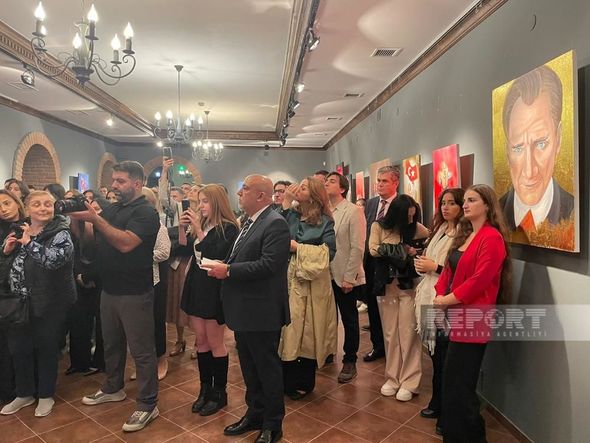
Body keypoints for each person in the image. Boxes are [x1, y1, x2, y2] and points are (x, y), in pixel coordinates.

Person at [74, 161, 160, 433]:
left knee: (142, 351)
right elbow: (91, 242)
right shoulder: (113, 209)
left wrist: (96, 220)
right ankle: (113, 387)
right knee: (111, 344)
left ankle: (148, 404)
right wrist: (79, 219)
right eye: (113, 181)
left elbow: (125, 243)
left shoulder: (146, 212)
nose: (114, 186)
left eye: (120, 181)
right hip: (109, 289)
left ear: (137, 183)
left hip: (135, 292)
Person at [206, 175, 290, 443]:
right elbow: (243, 256)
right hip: (244, 309)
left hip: (262, 311)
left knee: (267, 369)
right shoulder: (249, 221)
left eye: (245, 189)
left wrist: (229, 270)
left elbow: (269, 264)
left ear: (261, 196)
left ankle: (273, 424)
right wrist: (223, 264)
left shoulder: (275, 223)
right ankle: (255, 413)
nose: (239, 194)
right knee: (250, 368)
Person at [434, 184, 510, 442]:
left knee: (461, 387)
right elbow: (449, 270)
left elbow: (480, 280)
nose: (465, 205)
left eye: (472, 200)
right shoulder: (466, 234)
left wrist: (447, 299)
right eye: (465, 200)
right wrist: (439, 293)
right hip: (452, 315)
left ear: (487, 205)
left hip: (472, 319)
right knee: (451, 383)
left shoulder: (492, 238)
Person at [0, 191, 76, 417]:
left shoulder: (61, 233)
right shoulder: (19, 229)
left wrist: (29, 243)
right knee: (19, 349)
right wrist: (6, 252)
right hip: (19, 303)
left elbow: (53, 261)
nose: (43, 208)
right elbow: (7, 264)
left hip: (49, 302)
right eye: (37, 204)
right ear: (27, 208)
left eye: (47, 204)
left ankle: (45, 395)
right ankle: (24, 393)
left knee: (46, 348)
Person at [180, 184, 239, 416]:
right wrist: (185, 229)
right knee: (201, 341)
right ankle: (204, 389)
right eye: (200, 201)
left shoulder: (229, 228)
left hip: (214, 288)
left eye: (205, 201)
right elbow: (187, 250)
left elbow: (215, 255)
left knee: (215, 342)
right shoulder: (203, 224)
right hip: (196, 284)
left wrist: (198, 229)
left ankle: (219, 393)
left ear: (217, 202)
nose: (201, 206)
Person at [499, 64, 574, 244]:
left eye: (540, 144)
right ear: (507, 150)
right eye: (518, 147)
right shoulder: (495, 214)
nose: (529, 171)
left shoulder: (574, 211)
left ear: (558, 139)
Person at [279, 177, 337, 399]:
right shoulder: (291, 215)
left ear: (313, 196)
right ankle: (284, 379)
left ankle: (302, 381)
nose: (297, 189)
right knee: (288, 328)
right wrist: (286, 203)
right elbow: (276, 234)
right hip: (287, 280)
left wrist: (298, 248)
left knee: (307, 331)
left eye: (303, 187)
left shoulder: (324, 222)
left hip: (311, 284)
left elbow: (329, 253)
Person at [413, 188, 464, 433]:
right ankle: (437, 401)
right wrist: (423, 265)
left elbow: (460, 272)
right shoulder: (440, 229)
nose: (446, 207)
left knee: (445, 358)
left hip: (446, 300)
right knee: (435, 357)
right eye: (443, 203)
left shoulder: (463, 235)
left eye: (452, 203)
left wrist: (435, 266)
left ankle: (446, 410)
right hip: (428, 293)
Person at [369, 194, 428, 402]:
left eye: (413, 215)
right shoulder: (379, 227)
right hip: (386, 286)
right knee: (390, 334)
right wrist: (403, 249)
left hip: (409, 287)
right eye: (407, 216)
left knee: (409, 333)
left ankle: (410, 381)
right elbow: (373, 250)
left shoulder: (418, 229)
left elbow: (424, 250)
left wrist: (401, 251)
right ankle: (392, 377)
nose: (410, 220)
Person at [325, 172, 366, 383]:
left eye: (331, 181)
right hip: (324, 273)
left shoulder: (353, 211)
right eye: (326, 181)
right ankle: (327, 352)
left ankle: (350, 359)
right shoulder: (324, 210)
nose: (326, 184)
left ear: (342, 188)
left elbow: (357, 247)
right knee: (327, 317)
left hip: (344, 273)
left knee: (349, 318)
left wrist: (349, 277)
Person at [362, 165, 400, 362]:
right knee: (373, 305)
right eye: (378, 180)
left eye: (385, 181)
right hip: (371, 262)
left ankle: (394, 346)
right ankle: (377, 346)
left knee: (391, 308)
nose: (380, 184)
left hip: (392, 264)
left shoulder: (404, 204)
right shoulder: (371, 204)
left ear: (396, 183)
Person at [137, 187, 171, 381]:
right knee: (139, 324)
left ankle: (161, 359)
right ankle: (144, 363)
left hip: (154, 280)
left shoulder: (159, 228)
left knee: (156, 321)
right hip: (135, 280)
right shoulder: (131, 225)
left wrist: (138, 255)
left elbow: (164, 252)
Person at [0, 190, 26, 405]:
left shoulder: (30, 226)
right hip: (3, 292)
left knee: (19, 345)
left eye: (6, 203)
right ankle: (6, 389)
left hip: (22, 295)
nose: (3, 209)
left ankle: (21, 389)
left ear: (17, 203)